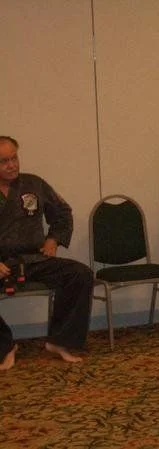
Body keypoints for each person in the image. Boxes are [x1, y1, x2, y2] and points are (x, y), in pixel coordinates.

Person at [0, 136, 93, 370]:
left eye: (14, 158)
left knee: (79, 274)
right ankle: (5, 346)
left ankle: (61, 340)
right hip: (2, 262)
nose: (11, 165)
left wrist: (54, 238)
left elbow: (62, 213)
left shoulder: (34, 184)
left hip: (33, 259)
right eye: (3, 161)